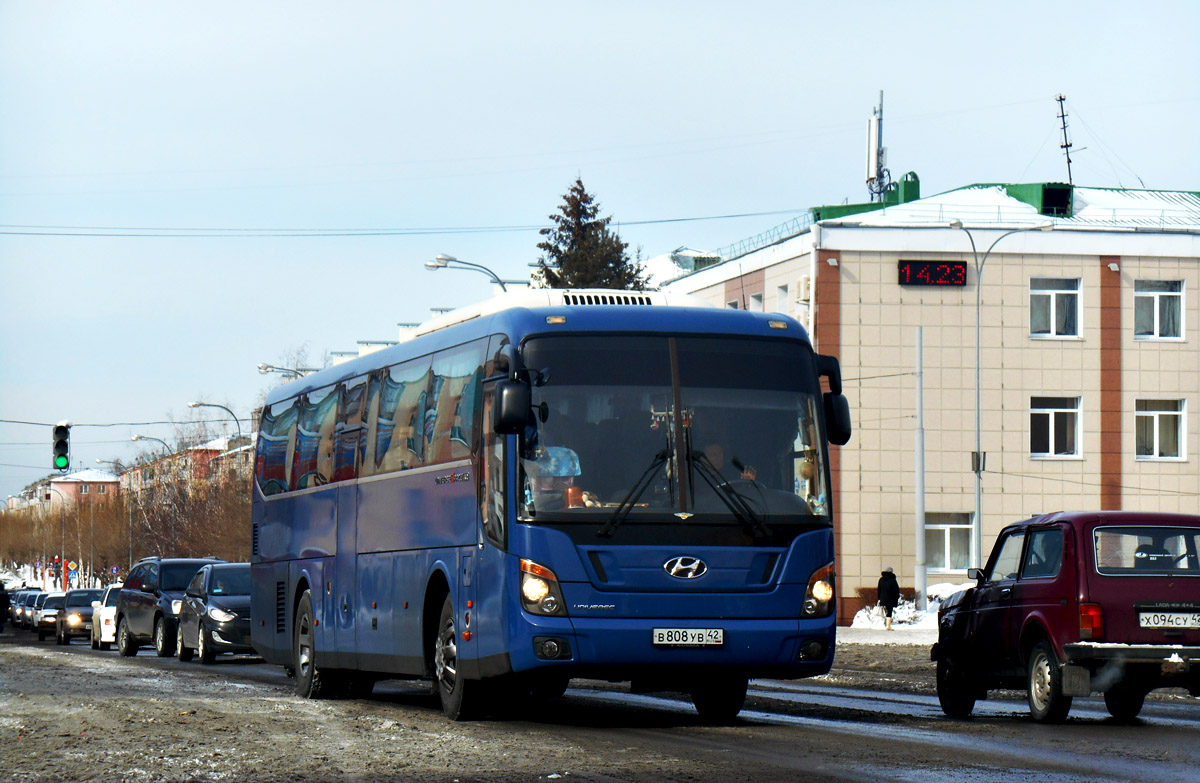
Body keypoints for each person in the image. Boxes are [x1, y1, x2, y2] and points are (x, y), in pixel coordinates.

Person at [877, 566, 901, 631]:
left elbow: (879, 589)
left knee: (886, 610)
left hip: (883, 598)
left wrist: (879, 598)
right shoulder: (892, 579)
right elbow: (896, 589)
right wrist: (897, 596)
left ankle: (887, 624)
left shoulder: (881, 579)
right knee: (889, 610)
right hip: (891, 598)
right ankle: (888, 625)